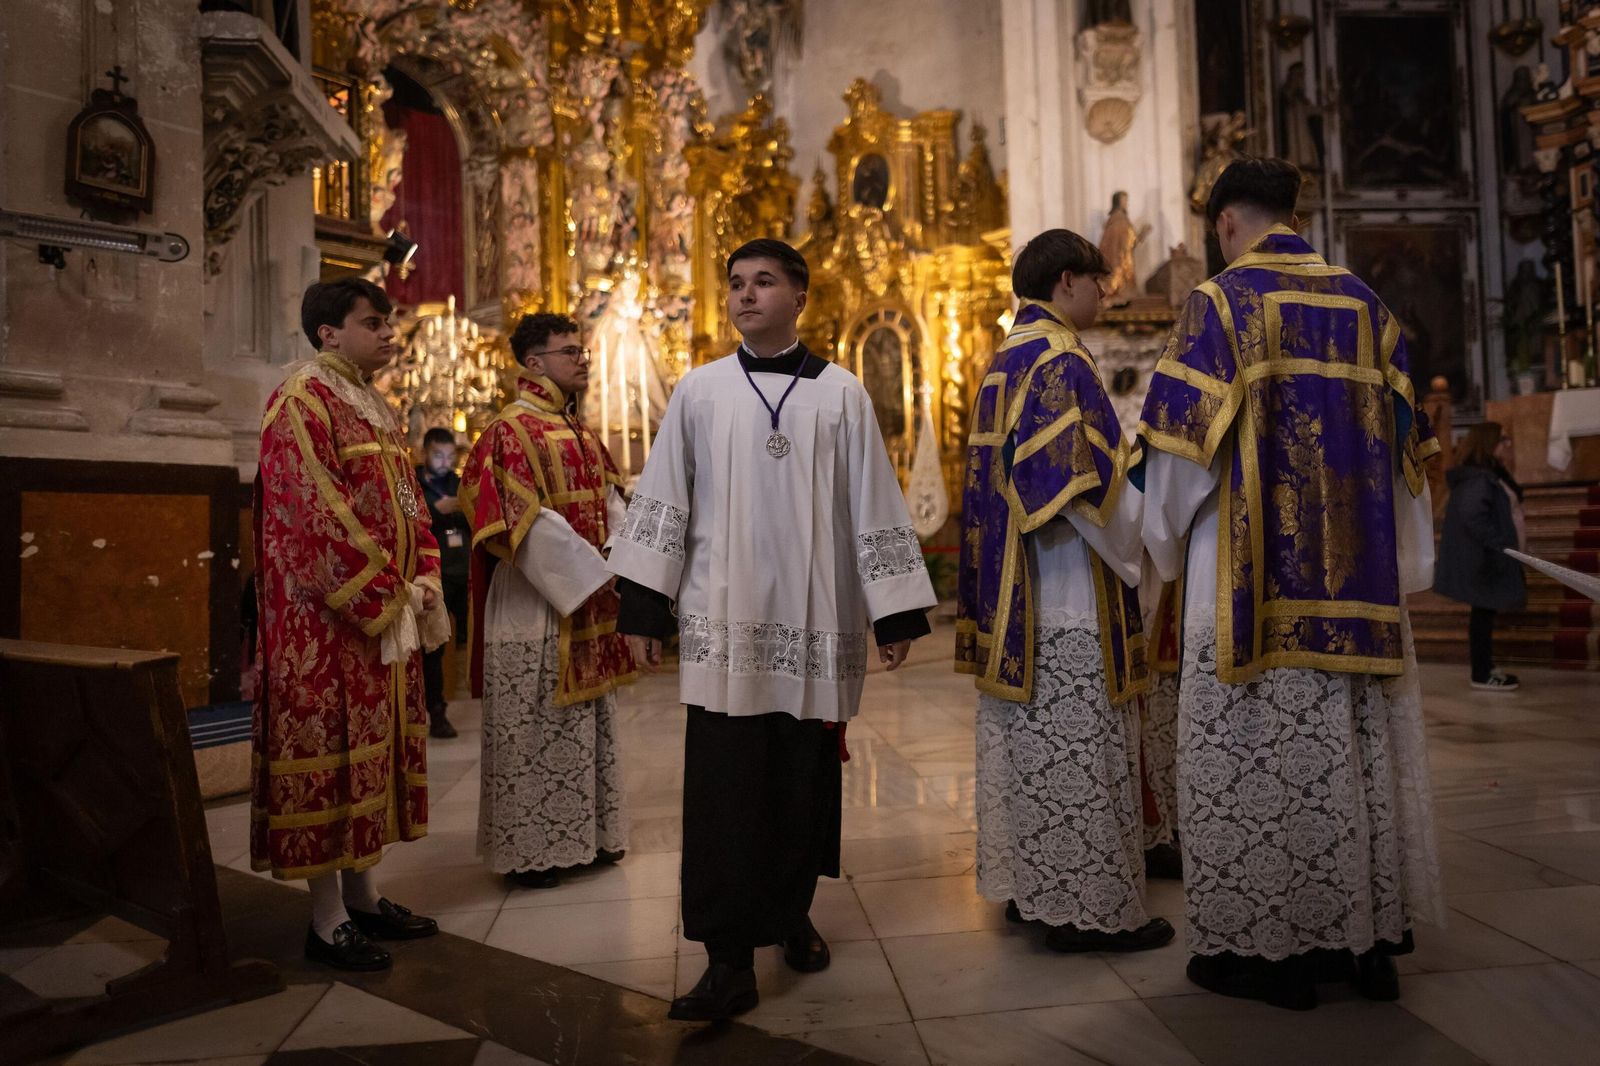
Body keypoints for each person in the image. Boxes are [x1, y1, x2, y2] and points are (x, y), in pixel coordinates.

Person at [1137, 157, 1445, 1010]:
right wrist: (1405, 568)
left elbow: (1178, 465)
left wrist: (1162, 552)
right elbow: (1408, 461)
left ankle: (1271, 956)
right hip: (1360, 590)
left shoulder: (1221, 305)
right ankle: (1368, 943)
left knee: (1257, 776)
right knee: (1355, 768)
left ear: (1225, 223)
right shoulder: (1366, 306)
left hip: (1246, 595)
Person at [607, 238, 937, 1022]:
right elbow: (664, 499)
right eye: (736, 283)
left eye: (764, 282)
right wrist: (644, 608)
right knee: (723, 796)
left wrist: (893, 611)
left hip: (815, 621)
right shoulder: (700, 390)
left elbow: (874, 502)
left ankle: (790, 913)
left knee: (801, 787)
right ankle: (727, 960)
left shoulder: (843, 394)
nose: (746, 295)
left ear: (800, 298)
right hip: (725, 626)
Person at [956, 229, 1172, 954]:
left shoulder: (1004, 361)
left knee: (1036, 756)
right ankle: (1088, 910)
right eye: (1098, 283)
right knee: (1079, 756)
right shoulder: (1060, 359)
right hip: (1067, 588)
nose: (1105, 296)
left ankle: (1038, 891)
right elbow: (1081, 484)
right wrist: (1144, 524)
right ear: (1067, 281)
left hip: (1015, 597)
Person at [252, 278, 450, 972]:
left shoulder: (375, 407)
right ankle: (326, 917)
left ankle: (363, 897)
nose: (390, 333)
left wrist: (427, 574)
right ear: (329, 333)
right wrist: (387, 592)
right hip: (326, 626)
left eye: (390, 321)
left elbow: (413, 505)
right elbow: (312, 512)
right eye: (374, 322)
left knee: (372, 758)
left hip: (386, 620)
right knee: (329, 762)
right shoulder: (301, 398)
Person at [461, 313, 637, 889]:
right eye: (569, 352)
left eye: (582, 351)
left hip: (588, 592)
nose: (582, 360)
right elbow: (515, 519)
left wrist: (617, 556)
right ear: (533, 363)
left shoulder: (581, 432)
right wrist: (589, 573)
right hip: (537, 600)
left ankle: (590, 836)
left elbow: (612, 499)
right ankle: (533, 849)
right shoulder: (508, 431)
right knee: (533, 726)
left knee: (588, 723)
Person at [1434, 422, 1527, 691]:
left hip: (1489, 556)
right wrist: (1500, 544)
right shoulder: (1478, 478)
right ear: (1490, 443)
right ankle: (1481, 673)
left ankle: (1484, 667)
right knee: (1483, 613)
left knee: (1485, 612)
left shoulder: (1488, 474)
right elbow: (1473, 516)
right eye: (1503, 440)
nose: (1507, 445)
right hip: (1484, 558)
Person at [416, 427, 470, 738]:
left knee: (467, 637)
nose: (444, 462)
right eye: (438, 455)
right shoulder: (415, 484)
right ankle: (436, 711)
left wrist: (460, 509)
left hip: (462, 570)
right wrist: (437, 511)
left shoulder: (458, 484)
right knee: (433, 645)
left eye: (450, 456)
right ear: (425, 453)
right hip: (433, 575)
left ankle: (467, 690)